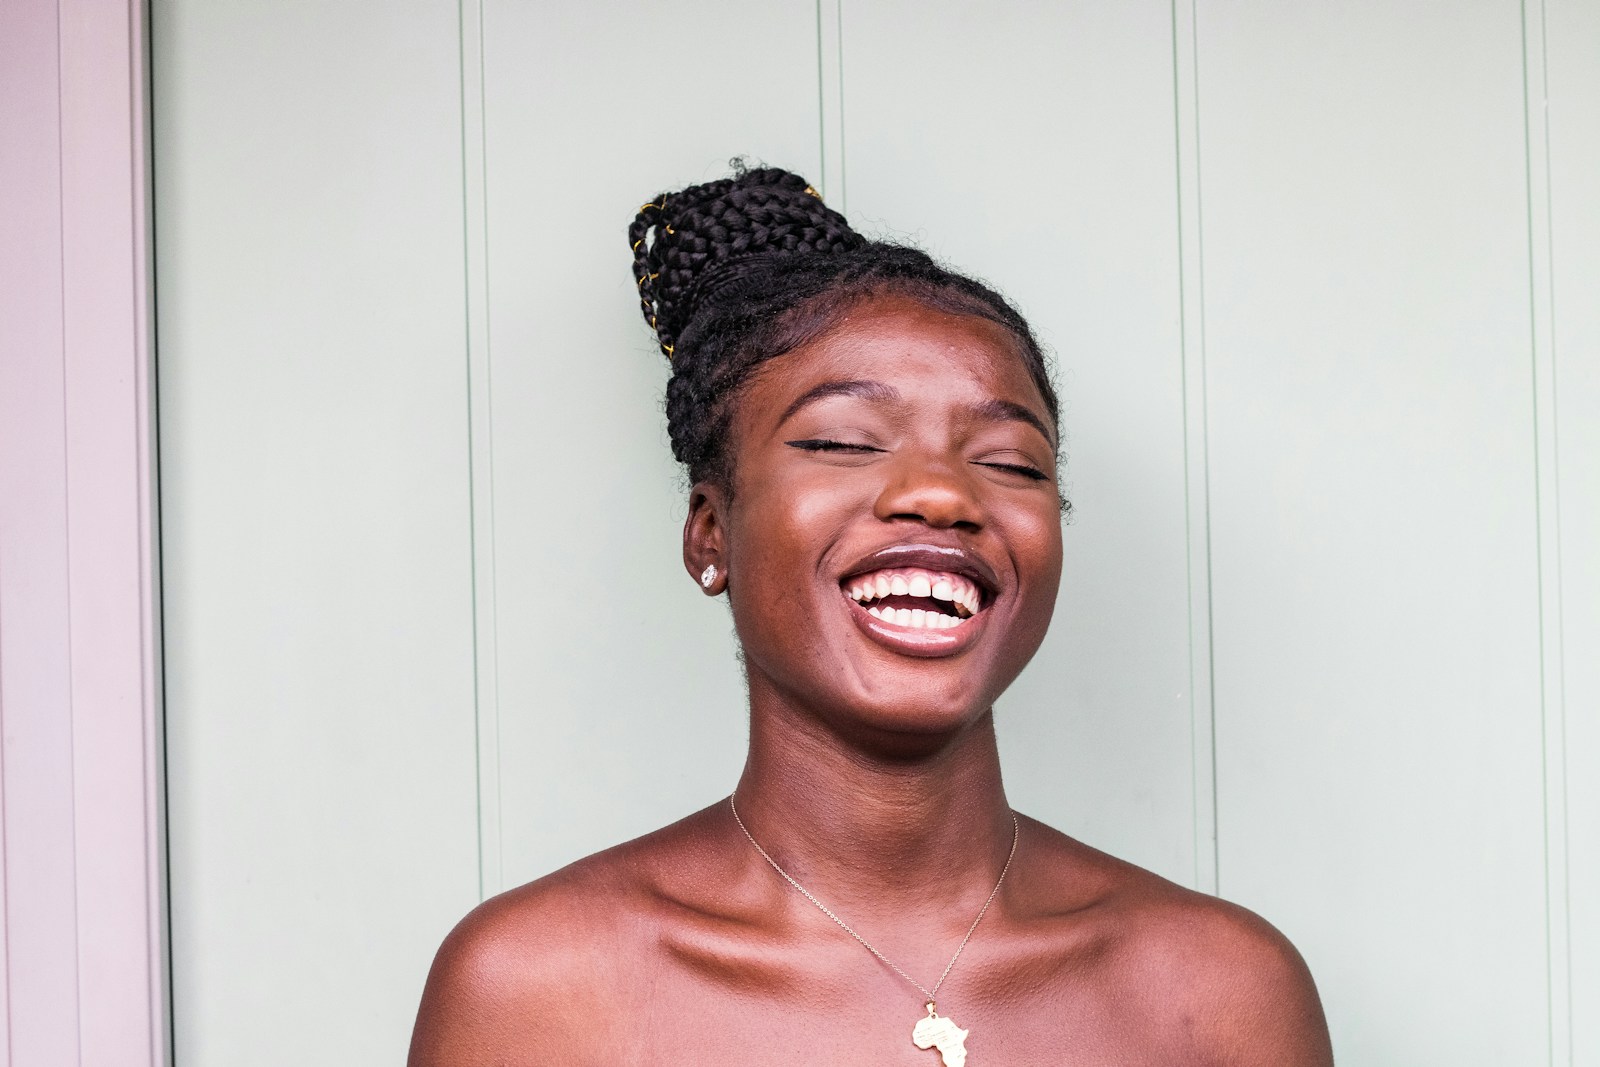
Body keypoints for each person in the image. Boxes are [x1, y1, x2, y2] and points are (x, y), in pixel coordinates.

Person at [407, 165, 1333, 1066]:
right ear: (709, 533)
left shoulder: (1226, 993)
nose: (939, 492)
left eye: (1011, 462)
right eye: (842, 442)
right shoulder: (536, 993)